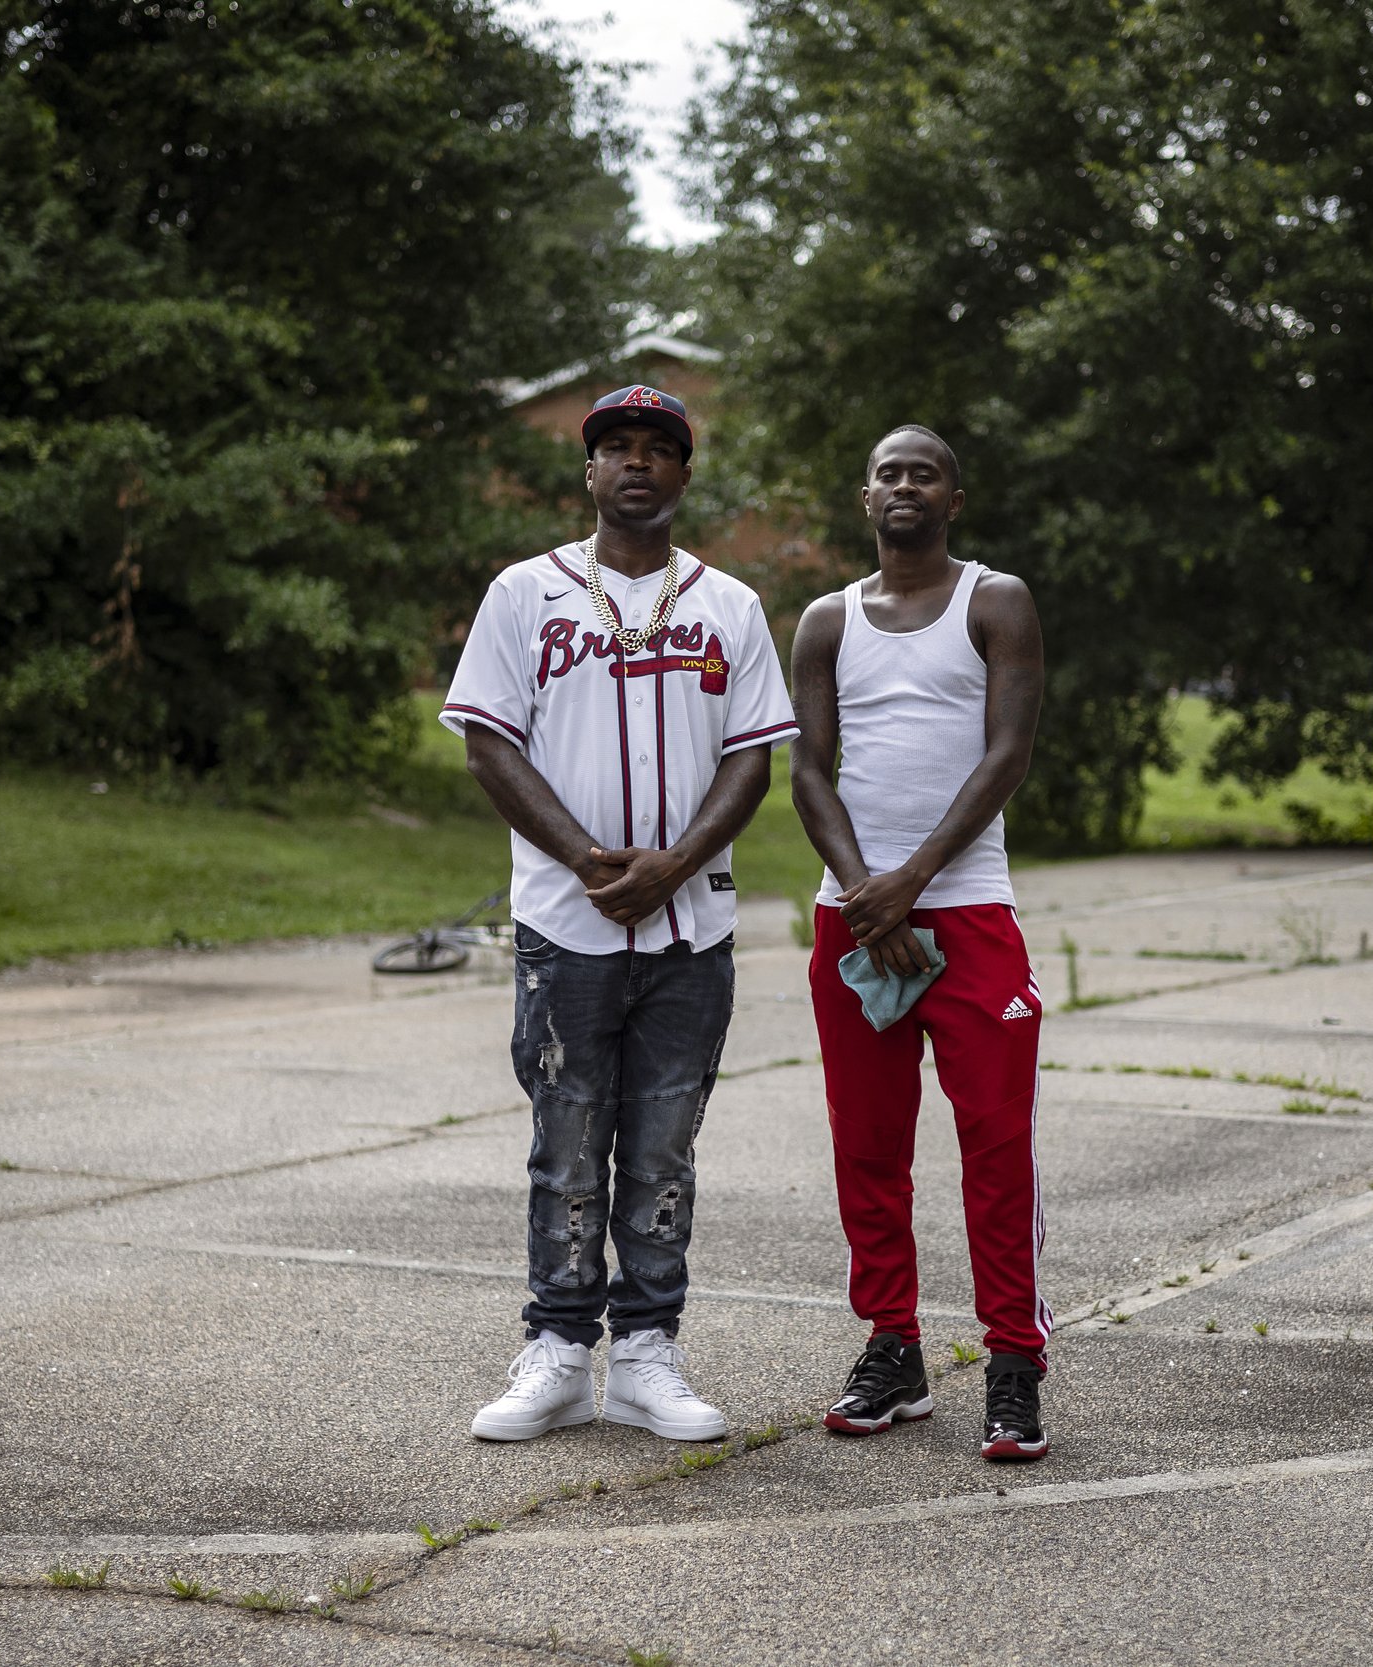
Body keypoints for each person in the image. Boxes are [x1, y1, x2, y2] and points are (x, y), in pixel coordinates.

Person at [442, 384, 799, 1444]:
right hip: (567, 921)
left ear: (685, 476)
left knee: (661, 1146)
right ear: (588, 473)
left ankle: (646, 1353)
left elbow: (752, 757)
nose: (636, 464)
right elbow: (488, 743)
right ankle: (556, 1349)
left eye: (659, 450)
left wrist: (675, 864)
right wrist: (587, 858)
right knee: (565, 1137)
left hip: (691, 929)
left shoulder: (726, 604)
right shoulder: (525, 592)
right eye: (616, 449)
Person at [789, 424, 1051, 1462]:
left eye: (924, 472)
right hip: (850, 914)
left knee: (995, 1144)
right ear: (867, 497)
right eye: (889, 471)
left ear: (953, 497)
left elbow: (1007, 751)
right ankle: (891, 1348)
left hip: (968, 907)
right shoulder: (823, 620)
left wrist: (913, 880)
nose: (905, 484)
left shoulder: (997, 600)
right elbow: (807, 770)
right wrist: (866, 893)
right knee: (867, 1145)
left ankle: (1014, 1362)